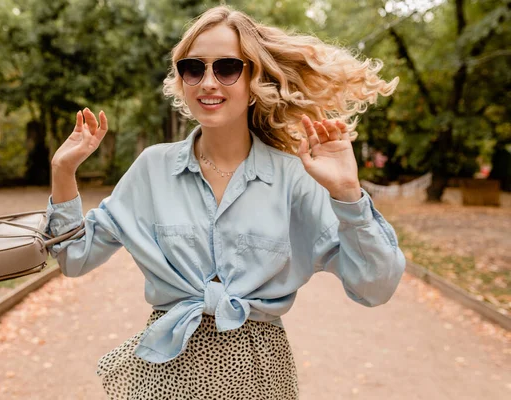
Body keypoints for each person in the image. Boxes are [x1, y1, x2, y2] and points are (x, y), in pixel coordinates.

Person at [45, 5, 405, 400]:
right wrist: (63, 172)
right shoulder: (152, 168)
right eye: (193, 68)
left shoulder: (294, 178)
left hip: (260, 378)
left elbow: (375, 286)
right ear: (182, 80)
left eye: (228, 67)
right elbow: (74, 257)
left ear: (255, 78)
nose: (208, 82)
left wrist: (348, 194)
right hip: (164, 377)